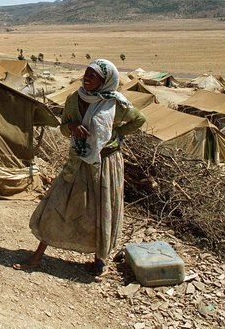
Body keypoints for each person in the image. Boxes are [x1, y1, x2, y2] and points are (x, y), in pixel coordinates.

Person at [13, 59, 146, 277]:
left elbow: (139, 120)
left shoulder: (116, 104)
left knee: (101, 209)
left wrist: (115, 135)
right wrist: (72, 127)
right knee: (57, 202)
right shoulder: (74, 99)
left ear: (105, 81)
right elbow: (64, 129)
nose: (87, 78)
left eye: (94, 76)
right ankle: (37, 255)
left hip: (105, 163)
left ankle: (98, 260)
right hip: (78, 161)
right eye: (87, 73)